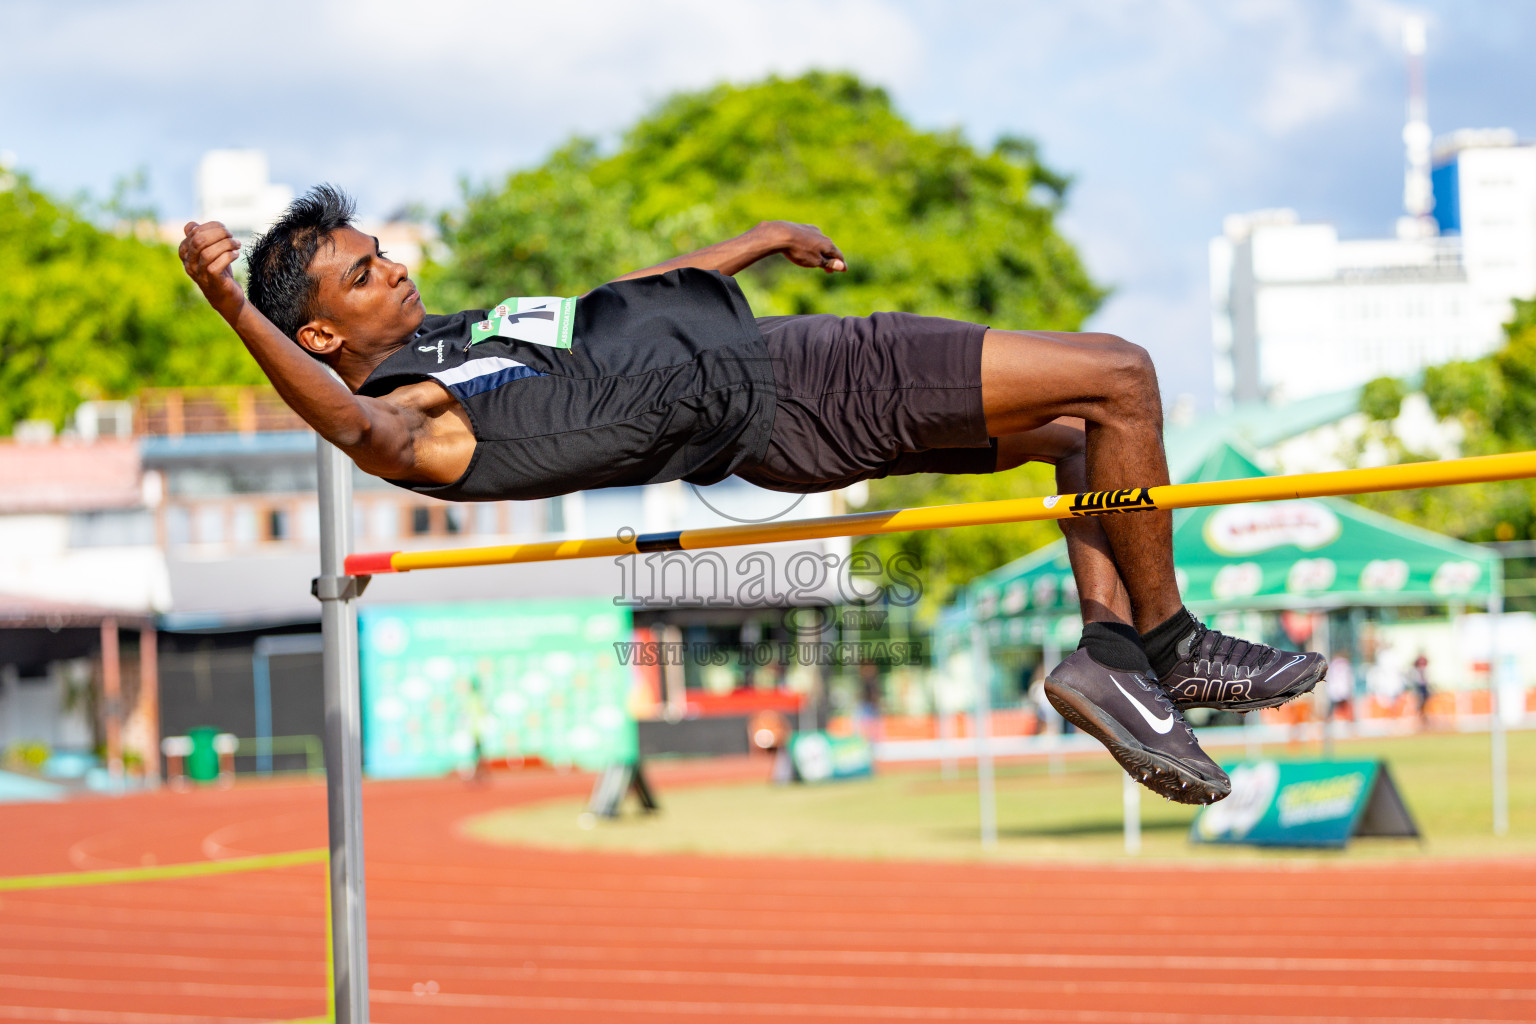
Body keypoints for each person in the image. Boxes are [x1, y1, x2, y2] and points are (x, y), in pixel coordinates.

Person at [179, 185, 1325, 805]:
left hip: (787, 371)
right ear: (322, 331)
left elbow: (605, 309)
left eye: (382, 251)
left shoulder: (452, 341)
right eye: (368, 274)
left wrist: (747, 245)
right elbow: (342, 420)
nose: (397, 269)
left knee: (1086, 437)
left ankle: (1107, 657)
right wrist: (233, 308)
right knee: (1119, 373)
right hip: (797, 391)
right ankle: (1168, 641)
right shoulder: (410, 422)